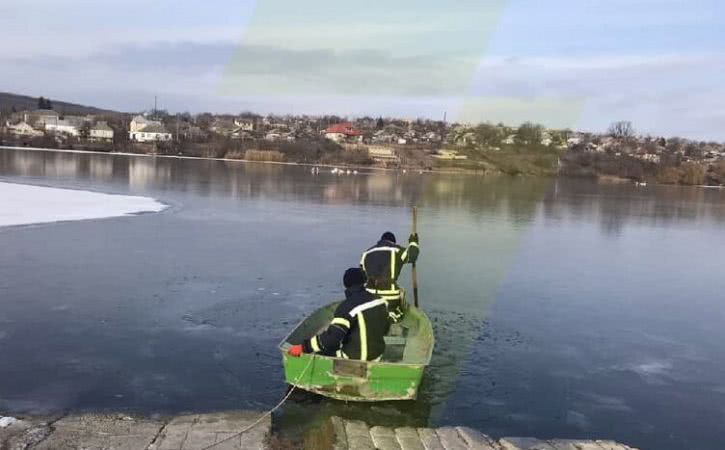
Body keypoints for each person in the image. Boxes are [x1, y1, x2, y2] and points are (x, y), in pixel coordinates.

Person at [287, 268, 388, 361]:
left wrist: (303, 347)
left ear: (346, 284)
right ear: (364, 281)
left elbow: (331, 340)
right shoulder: (380, 301)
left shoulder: (346, 307)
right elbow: (385, 329)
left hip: (356, 358)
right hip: (378, 354)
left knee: (321, 350)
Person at [360, 231, 419, 322]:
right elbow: (412, 255)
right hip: (390, 295)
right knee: (398, 301)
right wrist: (413, 242)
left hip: (369, 295)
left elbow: (361, 275)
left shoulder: (366, 253)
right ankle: (392, 315)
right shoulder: (397, 250)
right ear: (393, 242)